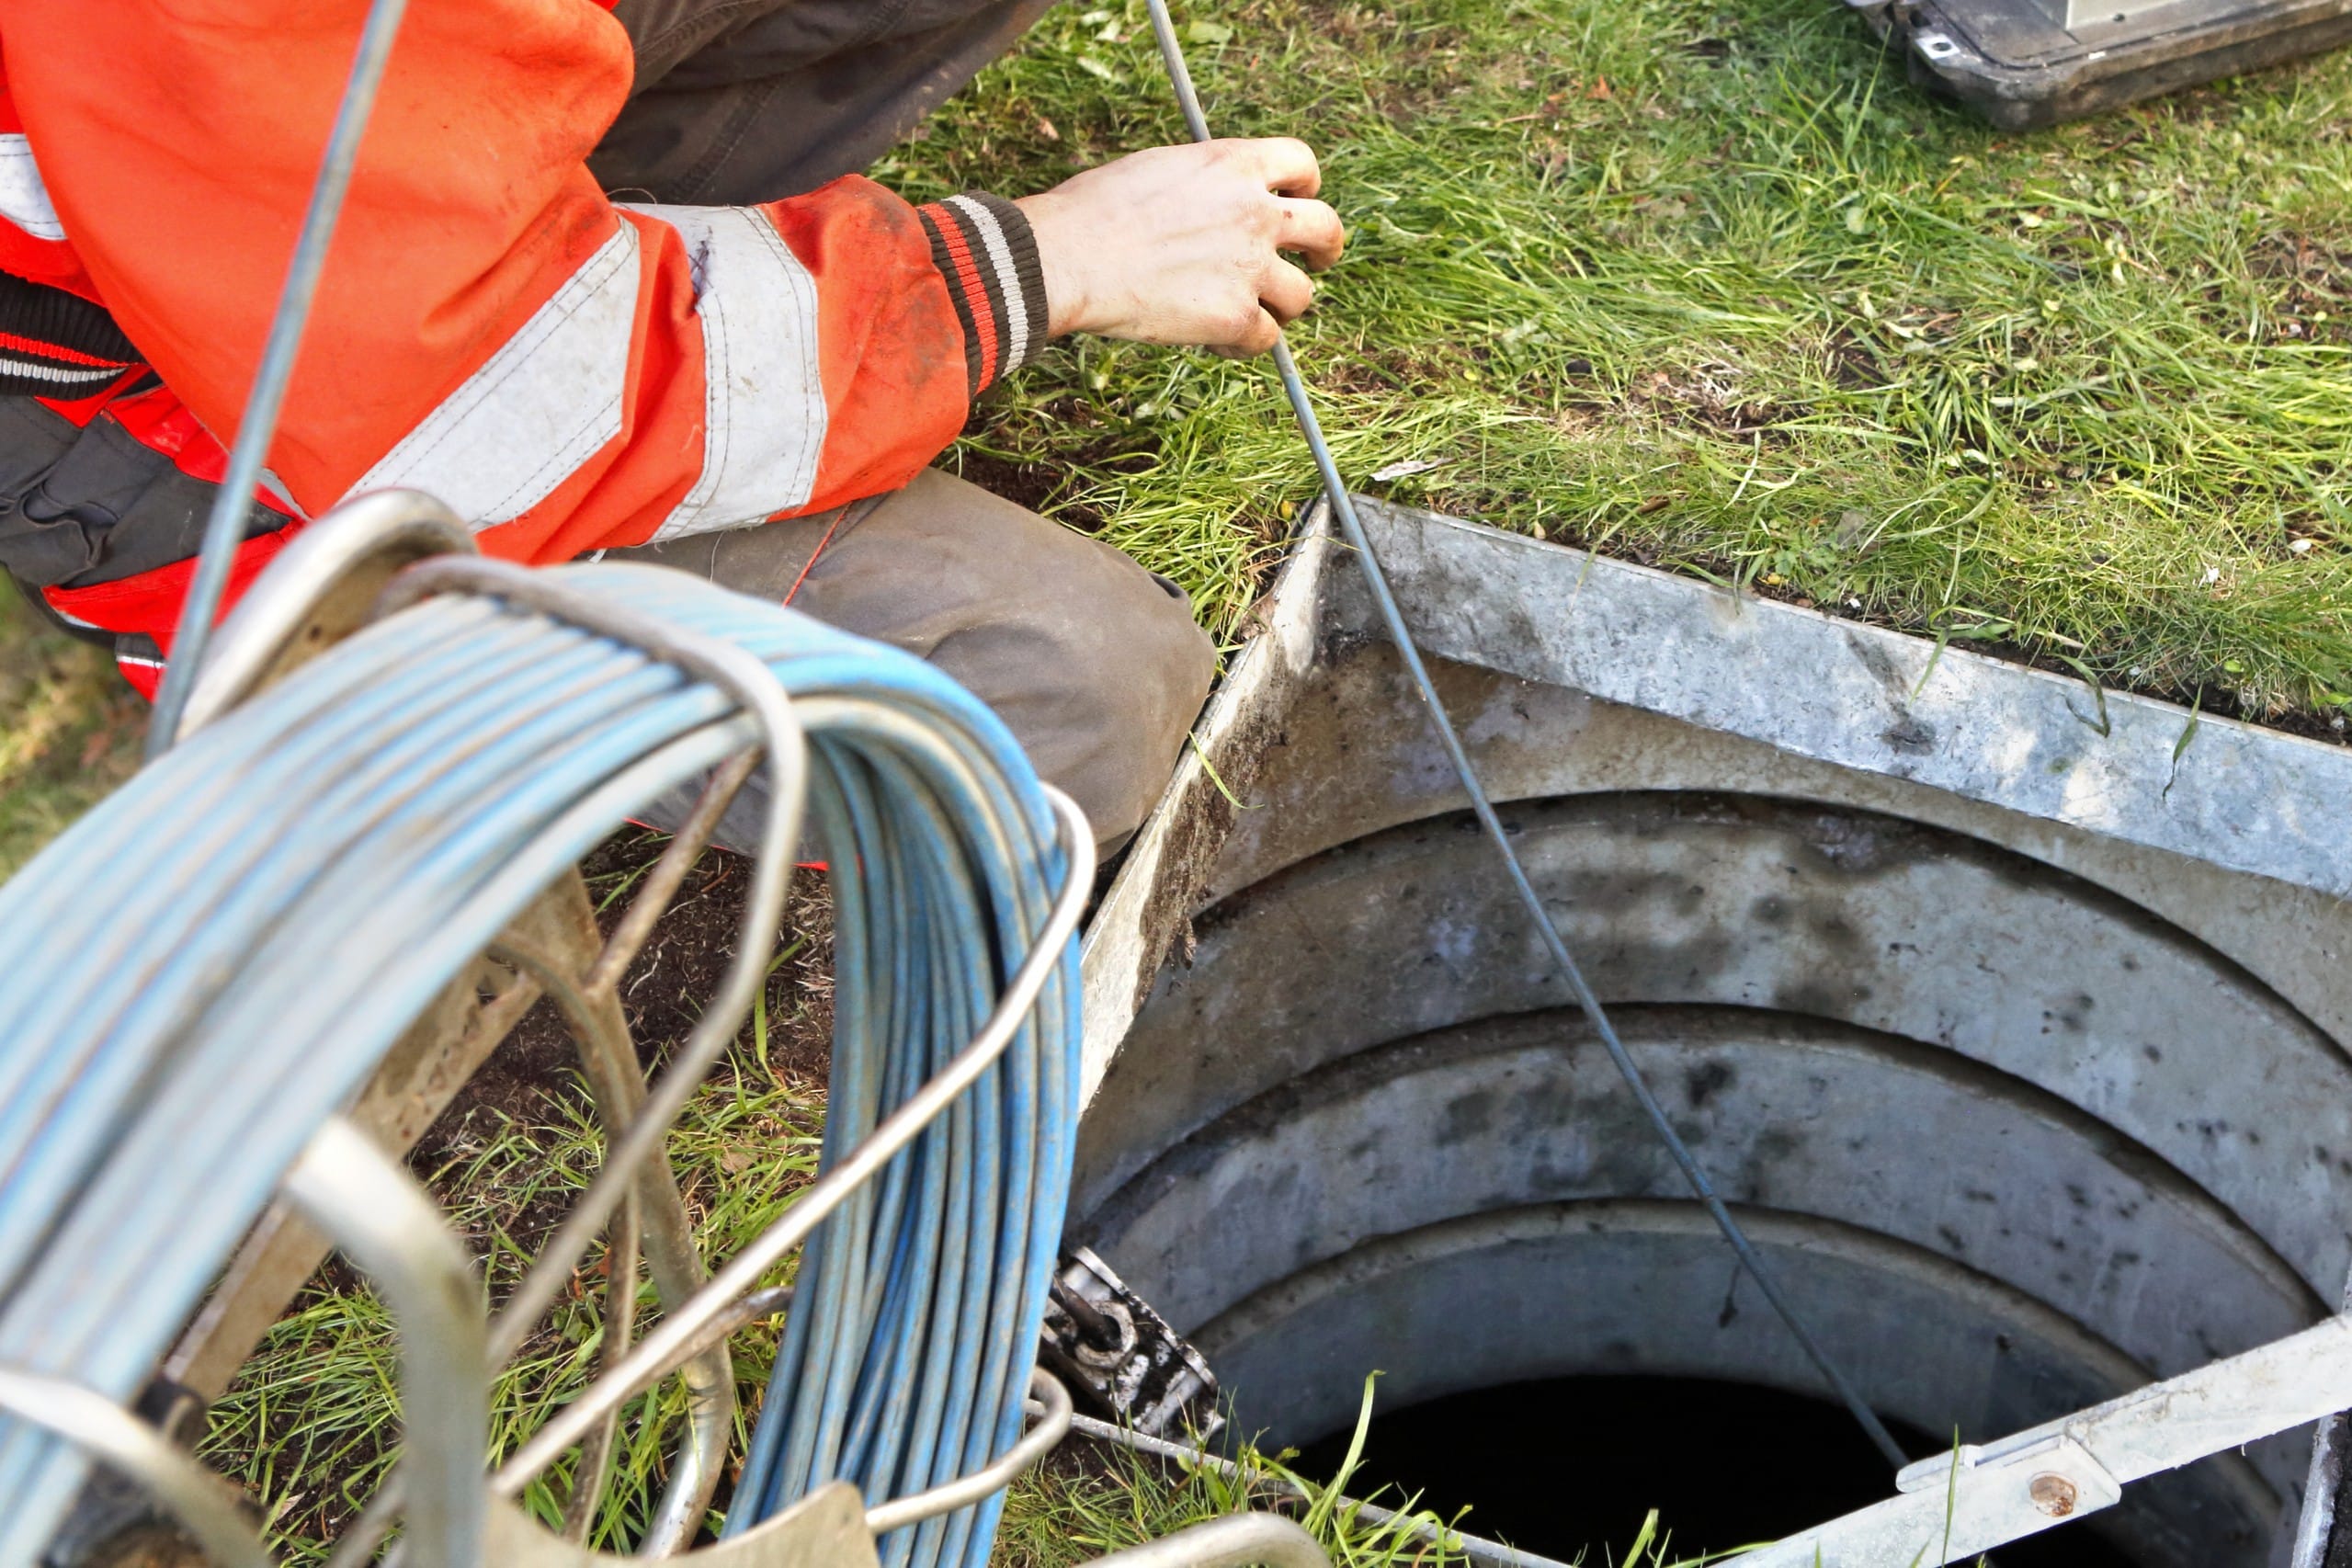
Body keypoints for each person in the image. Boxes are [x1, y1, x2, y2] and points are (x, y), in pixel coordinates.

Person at [0, 0, 1346, 850]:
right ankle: (380, 701)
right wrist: (1038, 264)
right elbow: (494, 402)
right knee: (1062, 696)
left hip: (339, 199)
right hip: (242, 446)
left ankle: (562, 213)